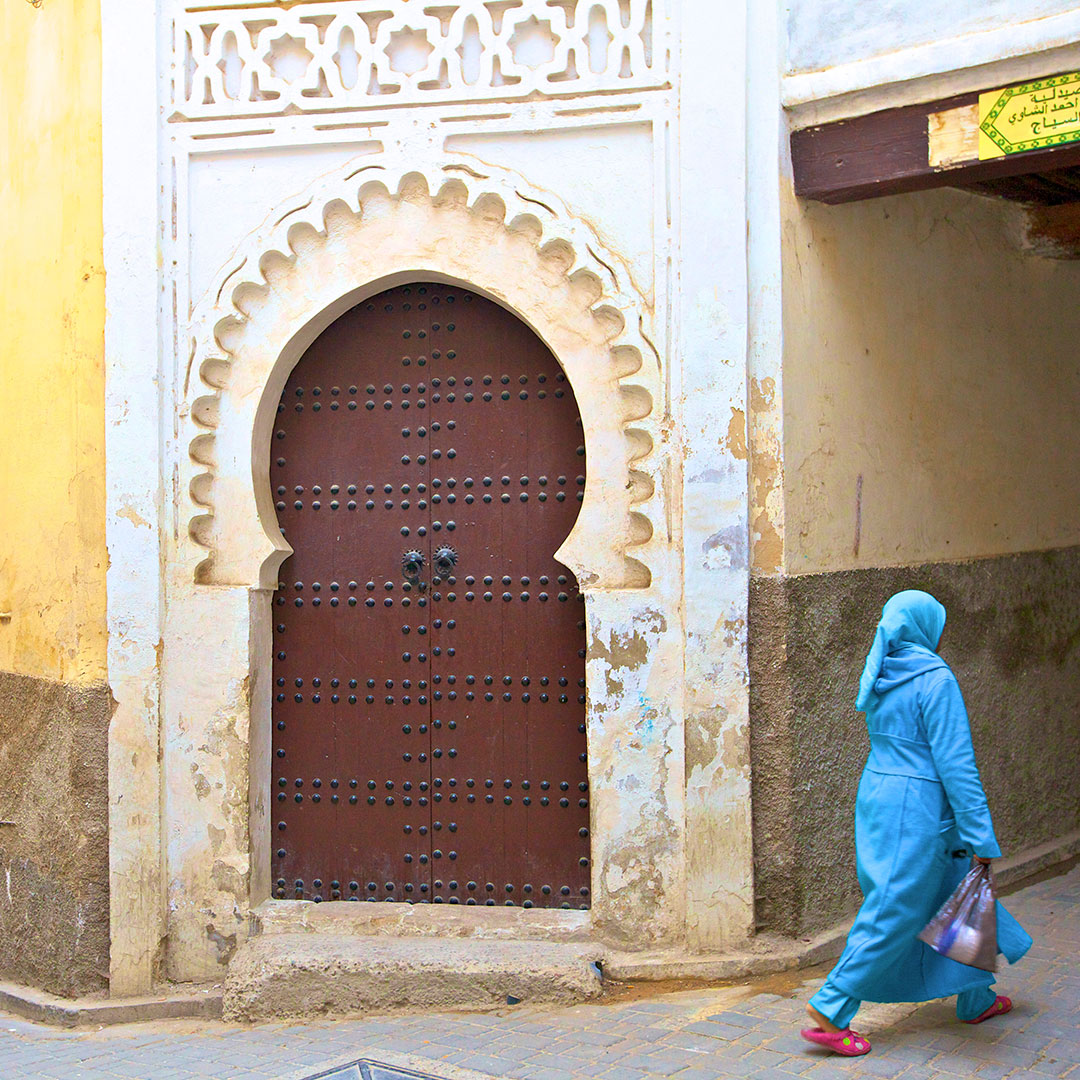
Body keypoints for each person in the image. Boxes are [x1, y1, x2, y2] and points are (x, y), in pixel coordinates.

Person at [800, 590, 1032, 1057]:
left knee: (955, 890)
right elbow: (957, 765)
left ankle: (974, 996)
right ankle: (830, 1008)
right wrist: (980, 833)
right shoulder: (934, 677)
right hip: (920, 807)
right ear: (927, 626)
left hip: (881, 796)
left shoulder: (883, 669)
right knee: (896, 907)